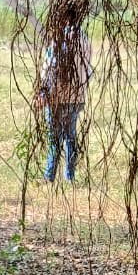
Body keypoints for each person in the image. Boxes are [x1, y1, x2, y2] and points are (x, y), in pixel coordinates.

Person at [37, 22, 91, 182]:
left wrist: (43, 92)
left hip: (57, 98)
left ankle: (49, 175)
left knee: (54, 138)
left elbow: (51, 67)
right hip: (76, 97)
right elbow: (88, 70)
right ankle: (70, 175)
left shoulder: (61, 40)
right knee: (70, 137)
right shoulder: (85, 39)